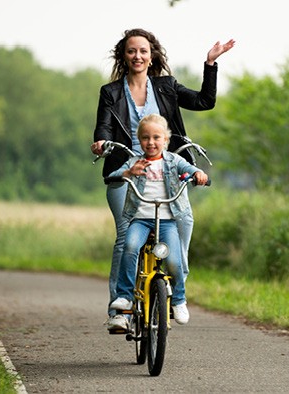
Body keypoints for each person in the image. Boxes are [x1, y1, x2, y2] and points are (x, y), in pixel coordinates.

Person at [90, 28, 234, 331]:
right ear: (124, 56)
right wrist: (102, 143)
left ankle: (177, 278)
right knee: (124, 239)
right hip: (128, 172)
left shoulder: (166, 86)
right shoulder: (111, 92)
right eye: (131, 51)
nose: (138, 56)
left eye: (143, 51)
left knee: (184, 221)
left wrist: (210, 64)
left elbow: (204, 102)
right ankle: (121, 309)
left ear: (152, 54)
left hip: (166, 173)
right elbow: (103, 127)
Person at [108, 114, 209, 329]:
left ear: (166, 140)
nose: (151, 142)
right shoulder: (135, 161)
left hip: (167, 221)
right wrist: (128, 173)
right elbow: (113, 175)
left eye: (156, 137)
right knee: (130, 247)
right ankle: (125, 296)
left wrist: (198, 173)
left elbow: (190, 169)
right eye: (145, 138)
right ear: (139, 140)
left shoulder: (174, 160)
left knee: (174, 259)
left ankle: (179, 300)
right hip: (140, 219)